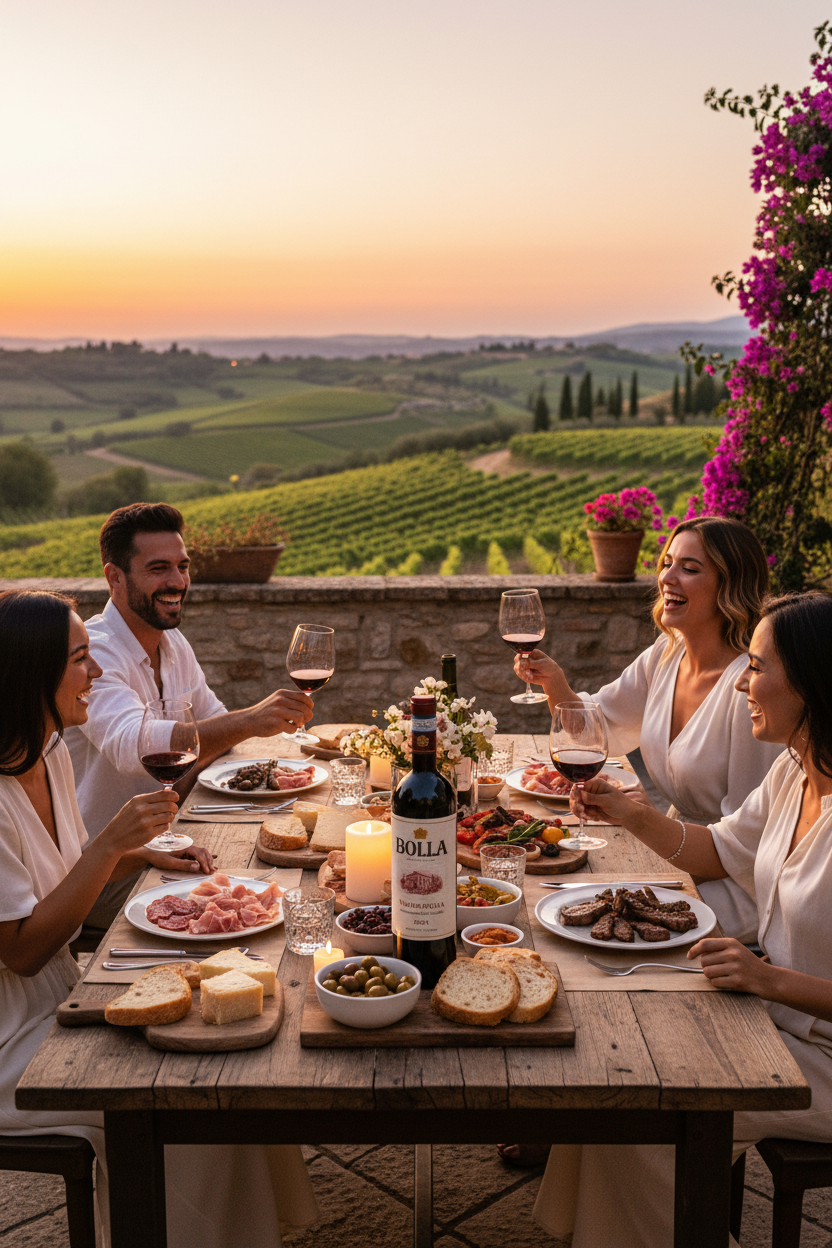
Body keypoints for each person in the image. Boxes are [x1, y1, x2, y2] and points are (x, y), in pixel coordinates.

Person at [0, 589, 318, 1246]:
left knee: (235, 1040)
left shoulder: (48, 751)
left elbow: (64, 883)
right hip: (13, 1038)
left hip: (67, 991)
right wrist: (110, 845)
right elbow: (24, 951)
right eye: (80, 660)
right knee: (193, 1091)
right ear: (29, 673)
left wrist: (139, 856)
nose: (95, 674)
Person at [533, 590, 832, 1248]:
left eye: (757, 667)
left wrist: (768, 980)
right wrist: (633, 813)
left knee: (642, 1121)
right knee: (613, 1062)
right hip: (774, 1012)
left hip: (820, 1055)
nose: (743, 684)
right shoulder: (795, 772)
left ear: (813, 681)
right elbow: (718, 851)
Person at [514, 516, 781, 943]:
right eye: (667, 562)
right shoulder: (667, 654)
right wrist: (554, 683)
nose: (667, 578)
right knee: (549, 908)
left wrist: (643, 818)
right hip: (677, 855)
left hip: (733, 891)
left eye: (690, 569)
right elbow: (602, 730)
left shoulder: (748, 690)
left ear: (730, 587)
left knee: (581, 926)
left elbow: (746, 848)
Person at [66, 502, 315, 926]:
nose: (178, 581)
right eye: (159, 568)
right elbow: (135, 747)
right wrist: (252, 719)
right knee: (250, 904)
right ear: (115, 578)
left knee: (282, 878)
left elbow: (215, 725)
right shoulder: (96, 651)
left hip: (172, 840)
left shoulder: (172, 641)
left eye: (183, 566)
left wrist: (257, 748)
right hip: (99, 873)